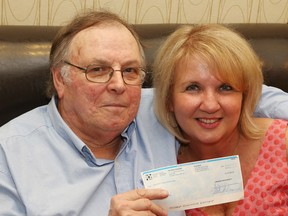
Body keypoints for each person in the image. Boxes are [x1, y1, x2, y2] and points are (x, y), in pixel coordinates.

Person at [0, 11, 287, 216]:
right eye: (97, 70)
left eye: (130, 70)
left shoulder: (160, 107)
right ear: (60, 79)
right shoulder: (10, 154)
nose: (117, 85)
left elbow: (244, 91)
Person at [152, 24, 288, 215]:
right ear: (169, 100)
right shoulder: (159, 166)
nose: (210, 105)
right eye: (193, 87)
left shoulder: (282, 142)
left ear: (245, 96)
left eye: (225, 88)